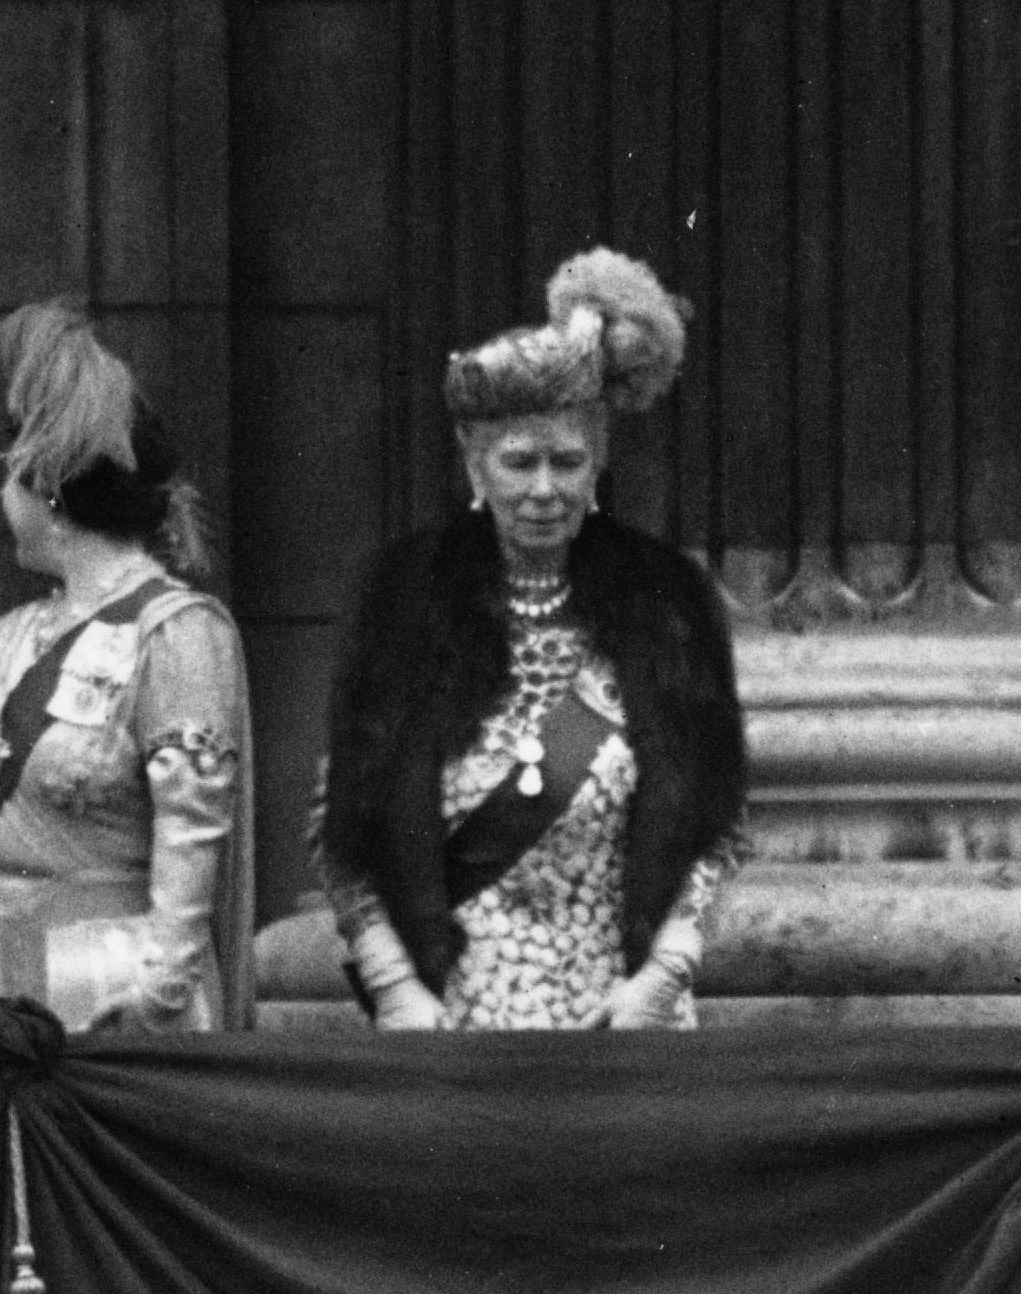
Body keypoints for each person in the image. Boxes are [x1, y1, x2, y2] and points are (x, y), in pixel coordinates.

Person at [320, 249, 747, 1031]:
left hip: (624, 1016)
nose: (544, 489)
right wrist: (395, 989)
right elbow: (341, 827)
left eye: (567, 461)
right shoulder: (406, 604)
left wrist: (666, 973)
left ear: (599, 467)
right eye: (519, 462)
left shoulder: (664, 606)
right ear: (475, 466)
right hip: (449, 1021)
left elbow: (717, 821)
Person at [0, 303, 254, 1035]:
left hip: (102, 1010)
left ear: (50, 494)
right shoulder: (8, 636)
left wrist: (145, 1018)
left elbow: (190, 860)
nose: (0, 497)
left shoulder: (176, 633)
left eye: (11, 478)